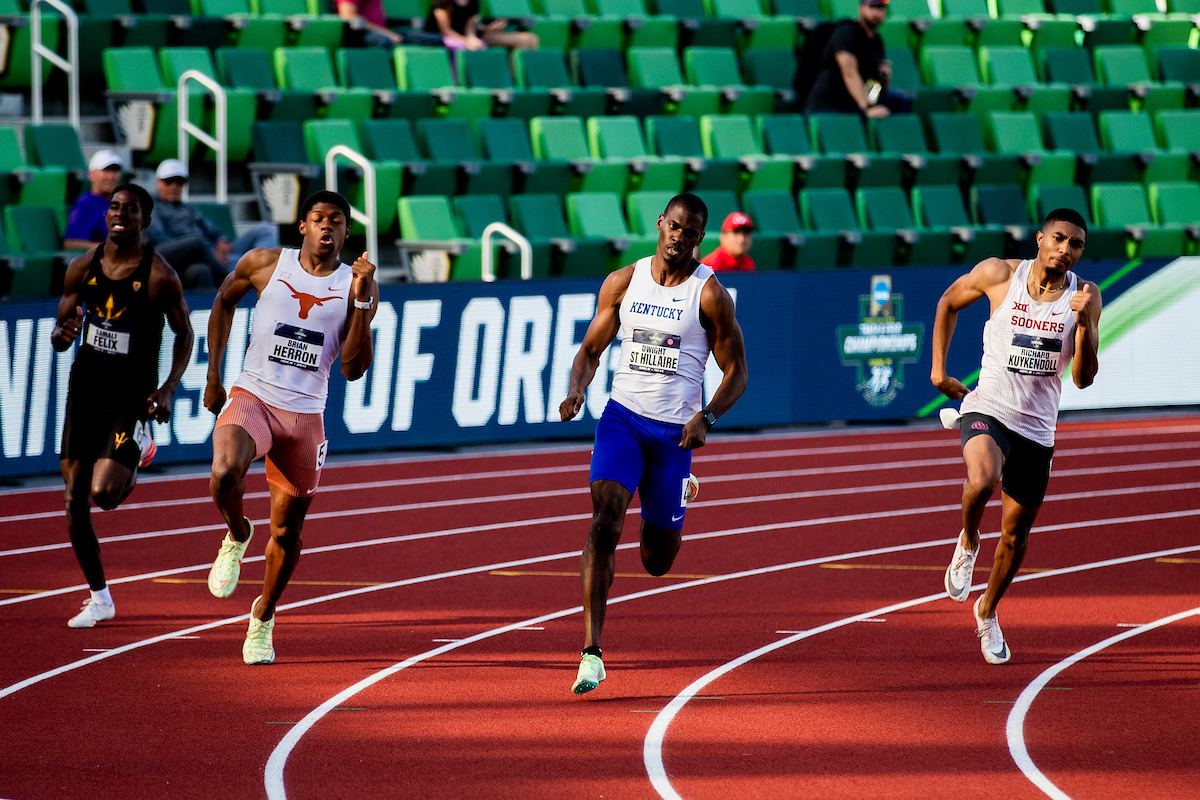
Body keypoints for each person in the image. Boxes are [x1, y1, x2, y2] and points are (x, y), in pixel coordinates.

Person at [559, 193, 748, 694]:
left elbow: (737, 372)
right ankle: (591, 653)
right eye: (674, 226)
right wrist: (577, 388)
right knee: (604, 519)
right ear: (661, 224)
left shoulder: (709, 295)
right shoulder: (624, 282)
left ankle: (678, 489)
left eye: (690, 232)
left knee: (656, 561)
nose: (679, 237)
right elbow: (590, 350)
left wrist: (707, 416)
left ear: (699, 239)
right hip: (622, 418)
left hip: (673, 434)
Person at [202, 190, 379, 666]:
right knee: (224, 473)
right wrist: (214, 374)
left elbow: (353, 369)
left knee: (286, 533)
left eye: (336, 221)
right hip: (253, 396)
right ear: (302, 226)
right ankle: (237, 533)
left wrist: (361, 303)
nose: (327, 228)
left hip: (304, 416)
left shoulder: (355, 285)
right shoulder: (264, 263)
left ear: (346, 232)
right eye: (318, 219)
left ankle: (263, 616)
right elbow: (223, 302)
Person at [931, 208, 1101, 665]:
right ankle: (967, 541)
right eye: (1060, 239)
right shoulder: (1000, 274)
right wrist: (939, 371)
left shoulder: (1085, 296)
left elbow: (1083, 378)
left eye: (1076, 245)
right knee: (983, 479)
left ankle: (987, 611)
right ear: (1040, 239)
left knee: (1014, 537)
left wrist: (1085, 325)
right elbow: (948, 302)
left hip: (1037, 429)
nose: (1066, 250)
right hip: (988, 406)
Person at [51, 184, 194, 628]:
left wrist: (168, 388)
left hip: (130, 397)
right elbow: (62, 326)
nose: (120, 215)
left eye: (130, 210)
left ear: (145, 221)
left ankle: (141, 444)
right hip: (85, 389)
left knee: (104, 496)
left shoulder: (159, 275)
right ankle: (100, 597)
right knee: (74, 497)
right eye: (114, 207)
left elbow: (185, 333)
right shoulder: (82, 266)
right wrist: (62, 336)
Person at [144, 159, 280, 291]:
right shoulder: (152, 208)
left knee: (266, 228)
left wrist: (222, 242)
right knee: (196, 243)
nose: (174, 186)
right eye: (168, 182)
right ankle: (232, 277)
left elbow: (214, 232)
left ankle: (265, 273)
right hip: (189, 256)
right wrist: (206, 253)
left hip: (214, 254)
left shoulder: (189, 208)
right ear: (158, 183)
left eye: (179, 182)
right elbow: (160, 240)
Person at [805, 0, 902, 118]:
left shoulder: (876, 40)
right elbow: (849, 72)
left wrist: (884, 78)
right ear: (861, 8)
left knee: (898, 99)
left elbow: (876, 85)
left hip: (854, 103)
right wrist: (868, 108)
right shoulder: (846, 33)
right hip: (828, 105)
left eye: (880, 9)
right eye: (872, 8)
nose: (876, 13)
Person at [63, 150, 124, 250]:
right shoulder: (86, 205)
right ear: (91, 174)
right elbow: (71, 243)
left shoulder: (120, 203)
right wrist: (108, 248)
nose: (111, 176)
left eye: (115, 171)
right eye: (106, 171)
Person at [425, 0, 538, 52]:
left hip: (475, 36)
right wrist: (466, 41)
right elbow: (445, 30)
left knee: (530, 39)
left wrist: (489, 29)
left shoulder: (474, 2)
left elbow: (470, 29)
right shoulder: (441, 3)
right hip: (446, 38)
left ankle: (517, 79)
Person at [337, 0, 446, 47]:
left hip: (385, 31)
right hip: (360, 34)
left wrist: (388, 33)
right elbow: (349, 17)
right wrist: (388, 34)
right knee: (382, 41)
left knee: (435, 40)